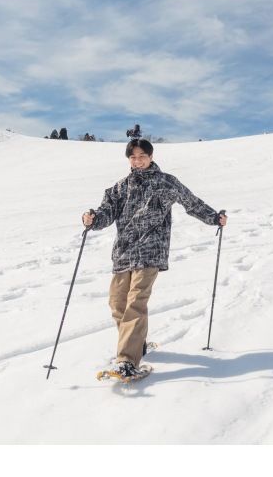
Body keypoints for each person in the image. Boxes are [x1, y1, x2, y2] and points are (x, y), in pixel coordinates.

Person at [82, 138, 227, 380]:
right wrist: (93, 219)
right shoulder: (119, 188)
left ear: (151, 157)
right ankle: (137, 346)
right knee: (117, 304)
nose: (137, 161)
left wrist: (214, 217)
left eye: (142, 156)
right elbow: (106, 214)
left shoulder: (165, 182)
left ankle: (127, 360)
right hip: (123, 252)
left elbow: (192, 203)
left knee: (136, 303)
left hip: (150, 251)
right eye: (133, 157)